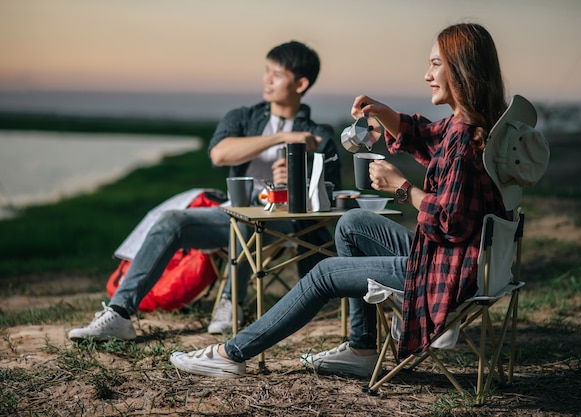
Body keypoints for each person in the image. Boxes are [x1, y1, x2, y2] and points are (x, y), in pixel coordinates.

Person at [169, 22, 513, 378]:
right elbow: (426, 136)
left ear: (462, 69)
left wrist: (402, 188)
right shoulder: (474, 127)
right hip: (461, 261)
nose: (427, 74)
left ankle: (231, 354)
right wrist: (382, 112)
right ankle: (362, 348)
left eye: (436, 65)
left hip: (443, 271)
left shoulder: (464, 144)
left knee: (325, 273)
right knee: (351, 223)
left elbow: (449, 222)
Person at [68, 40, 342, 340]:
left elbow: (332, 197)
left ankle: (229, 302)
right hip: (236, 211)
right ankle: (119, 313)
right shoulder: (244, 117)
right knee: (174, 220)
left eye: (276, 74)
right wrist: (281, 138)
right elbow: (219, 154)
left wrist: (300, 181)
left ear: (300, 83)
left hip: (288, 222)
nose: (267, 79)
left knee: (247, 219)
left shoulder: (319, 136)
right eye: (266, 71)